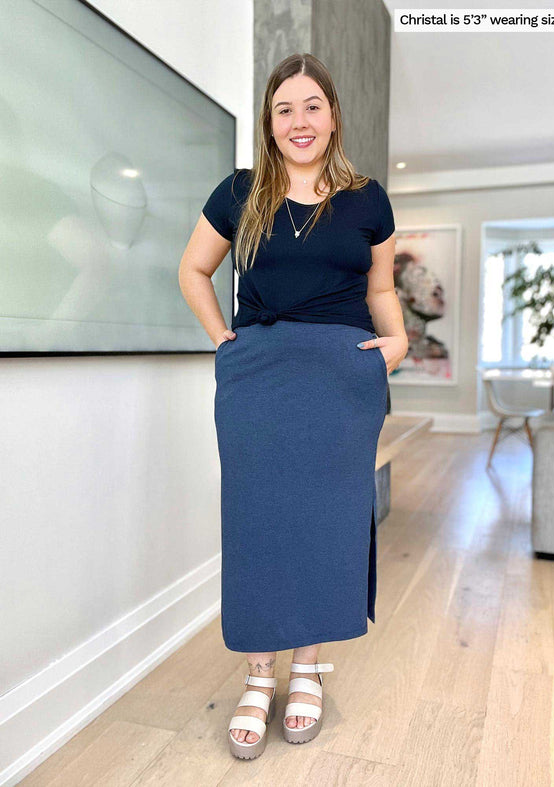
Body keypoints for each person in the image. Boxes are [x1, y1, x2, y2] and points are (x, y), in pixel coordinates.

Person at [178, 52, 408, 760]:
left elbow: (380, 290)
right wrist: (225, 340)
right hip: (260, 376)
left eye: (312, 105)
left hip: (340, 381)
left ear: (333, 115)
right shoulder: (239, 192)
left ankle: (305, 668)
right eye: (285, 109)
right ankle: (258, 676)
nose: (299, 121)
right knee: (257, 522)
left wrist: (395, 342)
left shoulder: (368, 199)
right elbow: (192, 269)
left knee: (325, 523)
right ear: (269, 122)